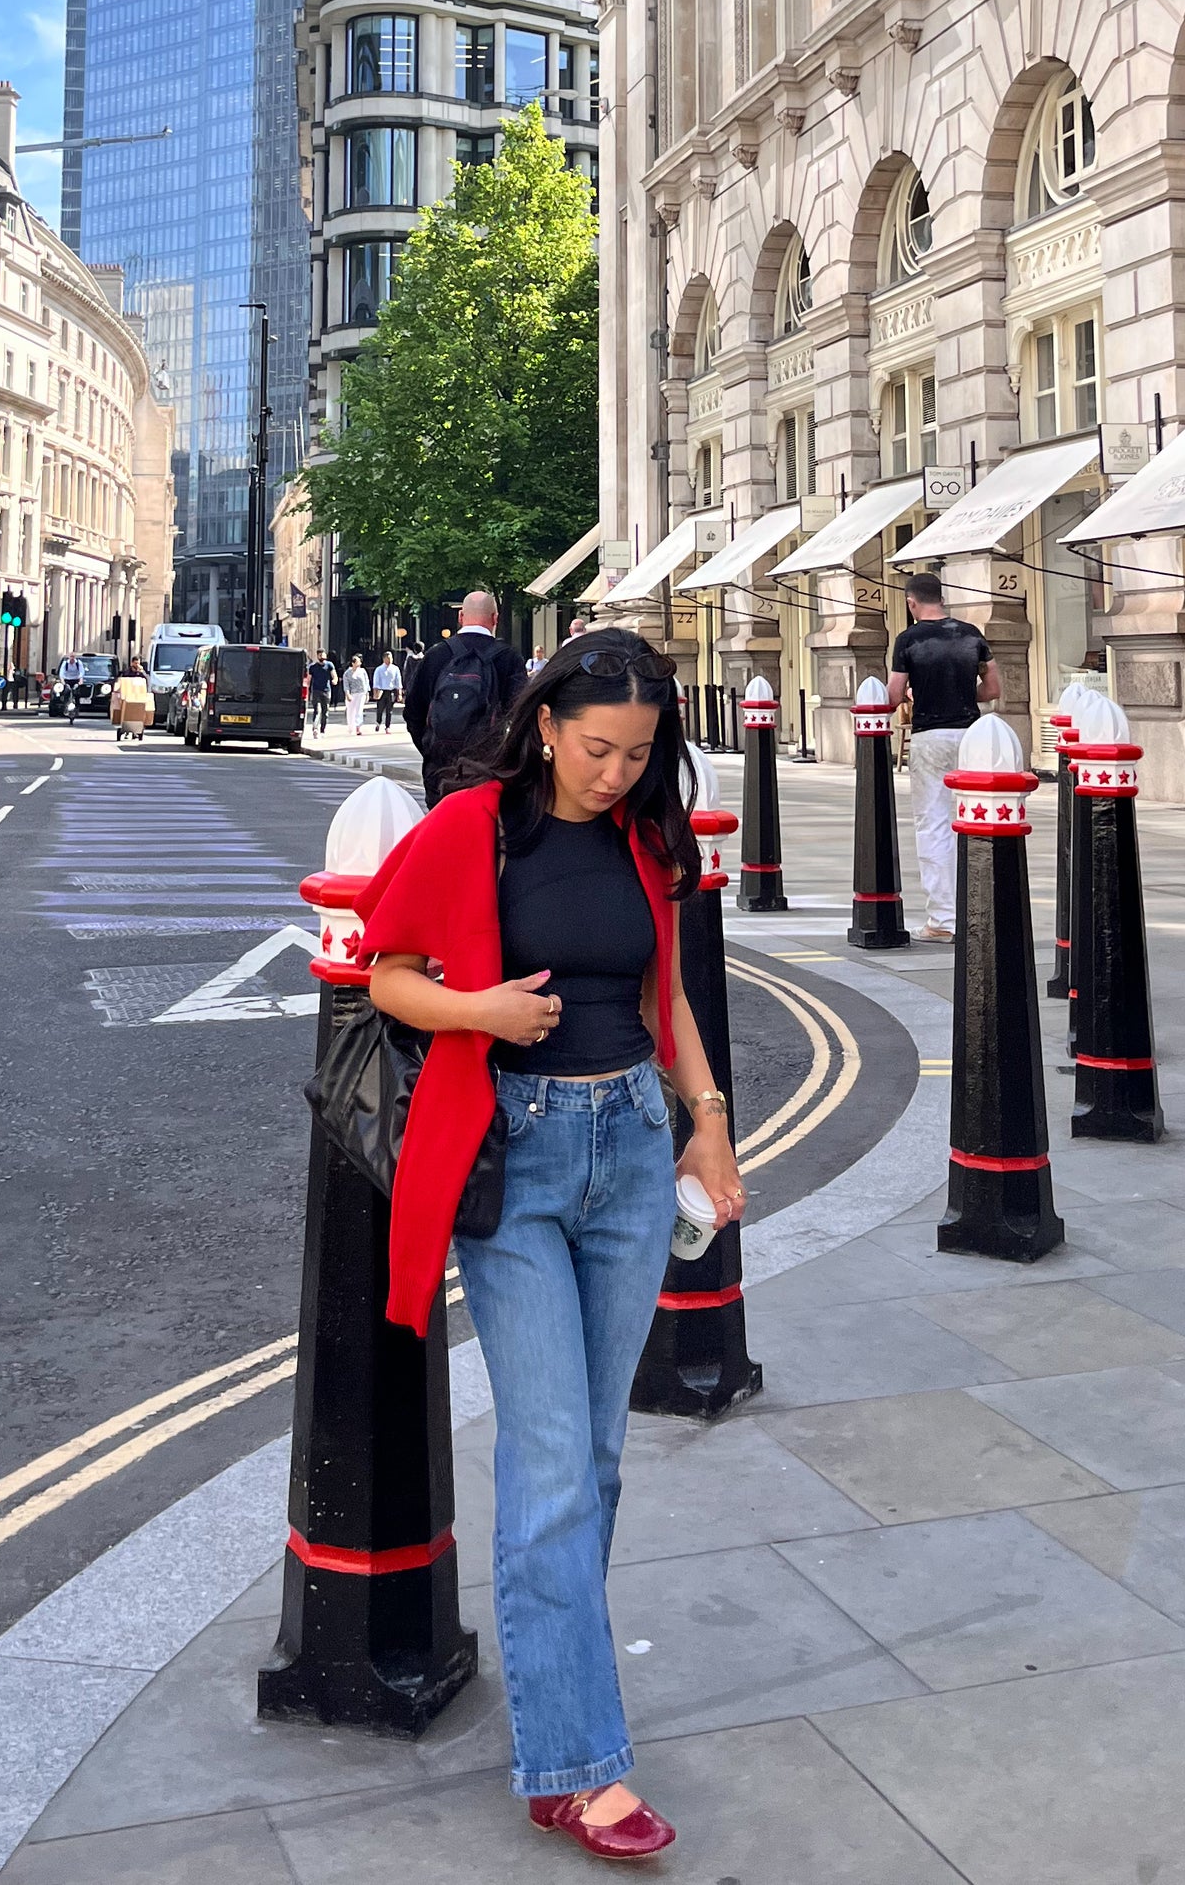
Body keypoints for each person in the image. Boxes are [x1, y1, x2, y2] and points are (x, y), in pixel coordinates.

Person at [364, 628, 744, 1860]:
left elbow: (663, 996)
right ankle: (579, 1764)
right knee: (548, 1464)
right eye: (596, 749)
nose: (616, 773)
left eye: (638, 753)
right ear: (543, 727)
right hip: (516, 1161)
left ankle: (559, 1703)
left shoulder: (642, 835)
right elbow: (389, 975)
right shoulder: (470, 828)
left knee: (595, 1456)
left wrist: (707, 1126)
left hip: (631, 1145)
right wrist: (477, 1008)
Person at [887, 571, 1001, 942]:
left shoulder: (909, 640)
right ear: (942, 598)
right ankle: (984, 911)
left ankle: (943, 920)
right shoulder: (971, 634)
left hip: (931, 737)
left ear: (911, 602)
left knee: (933, 824)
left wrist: (908, 698)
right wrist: (966, 698)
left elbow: (891, 695)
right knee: (977, 822)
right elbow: (994, 688)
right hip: (973, 735)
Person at [404, 590, 529, 806]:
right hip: (489, 771)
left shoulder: (436, 656)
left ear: (460, 616)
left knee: (441, 834)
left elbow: (413, 713)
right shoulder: (509, 658)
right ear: (495, 619)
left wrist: (432, 748)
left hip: (441, 772)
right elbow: (523, 717)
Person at [371, 650, 403, 731]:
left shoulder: (395, 669)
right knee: (380, 709)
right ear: (384, 659)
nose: (390, 660)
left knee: (389, 710)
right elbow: (376, 681)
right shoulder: (379, 669)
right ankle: (378, 722)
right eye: (388, 658)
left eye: (391, 658)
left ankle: (387, 726)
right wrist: (375, 692)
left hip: (391, 691)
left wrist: (399, 693)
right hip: (381, 691)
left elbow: (398, 681)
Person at [307, 652, 335, 736]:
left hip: (326, 691)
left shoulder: (329, 665)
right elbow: (309, 679)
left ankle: (323, 729)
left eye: (323, 655)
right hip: (316, 691)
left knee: (325, 711)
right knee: (317, 710)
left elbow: (334, 675)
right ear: (317, 656)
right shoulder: (313, 667)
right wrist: (307, 690)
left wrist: (335, 680)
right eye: (320, 655)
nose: (322, 657)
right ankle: (315, 728)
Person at [342, 654, 369, 736]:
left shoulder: (362, 671)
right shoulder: (347, 673)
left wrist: (367, 693)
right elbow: (346, 685)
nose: (359, 664)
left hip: (361, 693)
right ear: (353, 663)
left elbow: (366, 682)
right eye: (357, 662)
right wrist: (347, 694)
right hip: (352, 694)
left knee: (359, 710)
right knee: (350, 711)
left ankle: (358, 727)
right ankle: (350, 727)